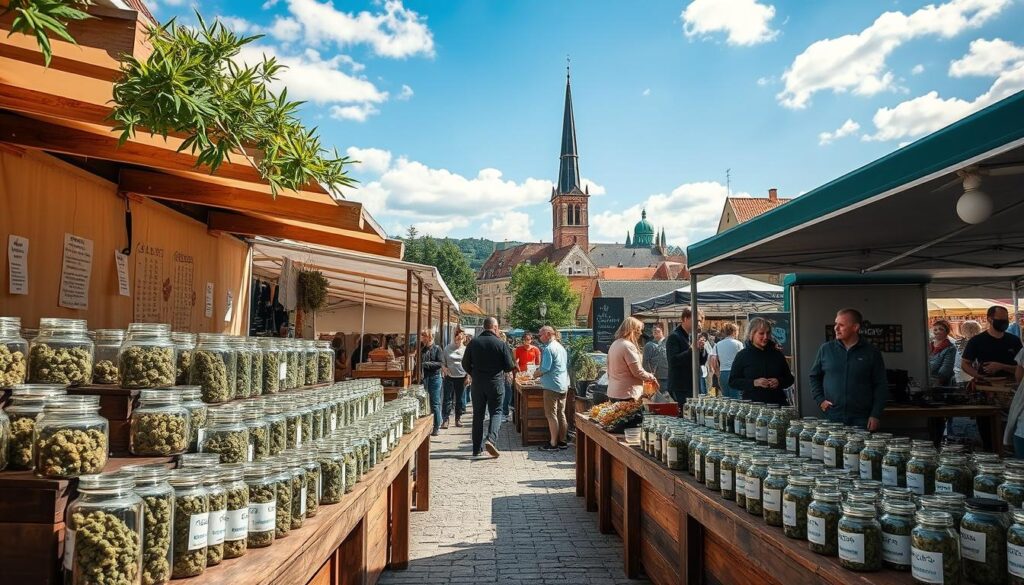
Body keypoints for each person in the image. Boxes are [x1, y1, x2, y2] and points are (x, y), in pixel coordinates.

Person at [809, 308, 888, 430]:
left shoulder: (871, 352)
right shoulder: (826, 349)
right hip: (832, 416)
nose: (836, 328)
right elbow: (814, 377)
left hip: (862, 418)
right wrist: (820, 400)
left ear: (855, 327)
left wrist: (875, 415)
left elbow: (881, 385)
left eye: (841, 325)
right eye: (836, 324)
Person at [462, 317, 516, 457]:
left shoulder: (473, 343)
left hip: (478, 384)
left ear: (484, 327)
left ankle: (476, 448)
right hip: (495, 383)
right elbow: (509, 366)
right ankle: (491, 439)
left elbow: (465, 364)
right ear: (495, 327)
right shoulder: (500, 343)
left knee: (478, 415)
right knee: (496, 412)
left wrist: (473, 373)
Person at [728, 318, 794, 406]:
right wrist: (754, 383)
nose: (765, 337)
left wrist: (779, 381)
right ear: (752, 334)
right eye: (761, 333)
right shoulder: (743, 355)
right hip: (753, 407)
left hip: (777, 405)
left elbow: (789, 379)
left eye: (768, 333)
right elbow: (733, 381)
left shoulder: (777, 354)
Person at [961, 305, 1022, 382]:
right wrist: (979, 376)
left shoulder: (1014, 340)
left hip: (1011, 385)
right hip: (986, 386)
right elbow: (965, 364)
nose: (1004, 322)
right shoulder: (976, 341)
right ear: (990, 319)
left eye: (1006, 319)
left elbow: (1021, 367)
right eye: (1000, 319)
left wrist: (1002, 366)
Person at [533, 326, 570, 451]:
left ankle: (553, 443)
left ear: (548, 334)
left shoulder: (548, 348)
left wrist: (535, 373)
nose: (539, 337)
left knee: (551, 414)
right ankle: (563, 441)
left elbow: (545, 368)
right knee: (561, 413)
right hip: (563, 384)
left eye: (540, 335)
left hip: (551, 386)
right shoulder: (561, 347)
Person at [607, 317, 659, 402]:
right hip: (627, 394)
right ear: (633, 331)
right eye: (640, 330)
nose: (641, 333)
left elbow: (609, 370)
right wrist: (651, 377)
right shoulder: (628, 346)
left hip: (613, 392)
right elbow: (637, 372)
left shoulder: (615, 344)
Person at [666, 308, 707, 406]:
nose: (699, 323)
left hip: (693, 385)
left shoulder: (692, 336)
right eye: (696, 320)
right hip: (681, 387)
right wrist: (692, 350)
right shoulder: (674, 337)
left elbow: (701, 362)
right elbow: (673, 361)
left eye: (700, 321)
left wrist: (701, 349)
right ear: (685, 319)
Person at [441, 328, 468, 429]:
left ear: (463, 339)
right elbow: (442, 362)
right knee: (447, 399)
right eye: (457, 338)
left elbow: (470, 364)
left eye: (460, 339)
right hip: (449, 377)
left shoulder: (465, 350)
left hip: (461, 377)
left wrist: (468, 376)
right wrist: (444, 369)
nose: (458, 341)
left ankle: (458, 418)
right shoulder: (447, 348)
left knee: (459, 399)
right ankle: (445, 420)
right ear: (454, 338)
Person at [419, 330, 444, 437]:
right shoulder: (423, 349)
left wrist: (426, 364)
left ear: (430, 337)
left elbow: (440, 363)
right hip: (425, 378)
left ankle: (437, 426)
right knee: (427, 402)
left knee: (435, 402)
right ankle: (433, 423)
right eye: (422, 336)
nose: (423, 338)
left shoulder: (437, 349)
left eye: (424, 336)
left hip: (435, 377)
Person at [708, 322, 744, 398]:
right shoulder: (738, 344)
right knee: (736, 399)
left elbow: (713, 360)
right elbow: (742, 359)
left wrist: (717, 373)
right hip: (735, 374)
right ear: (734, 332)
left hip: (723, 373)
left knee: (726, 399)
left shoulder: (718, 344)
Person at [928, 319, 957, 386]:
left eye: (941, 329)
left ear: (947, 331)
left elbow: (945, 370)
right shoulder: (929, 345)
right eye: (935, 330)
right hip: (928, 379)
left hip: (940, 383)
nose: (937, 331)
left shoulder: (950, 348)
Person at [641, 324, 669, 392]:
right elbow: (645, 362)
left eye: (657, 328)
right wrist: (649, 376)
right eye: (653, 329)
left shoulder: (668, 343)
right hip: (656, 378)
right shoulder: (649, 345)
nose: (655, 330)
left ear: (662, 330)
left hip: (669, 376)